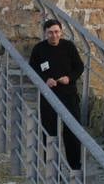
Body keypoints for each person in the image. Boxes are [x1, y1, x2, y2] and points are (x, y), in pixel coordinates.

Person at [27, 18, 85, 170]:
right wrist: (45, 80)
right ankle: (53, 170)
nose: (54, 35)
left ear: (61, 32)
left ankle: (75, 167)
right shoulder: (39, 49)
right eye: (50, 33)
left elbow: (79, 67)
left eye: (57, 32)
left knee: (72, 132)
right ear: (45, 34)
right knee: (49, 133)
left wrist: (69, 78)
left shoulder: (69, 46)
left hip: (69, 95)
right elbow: (32, 69)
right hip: (48, 96)